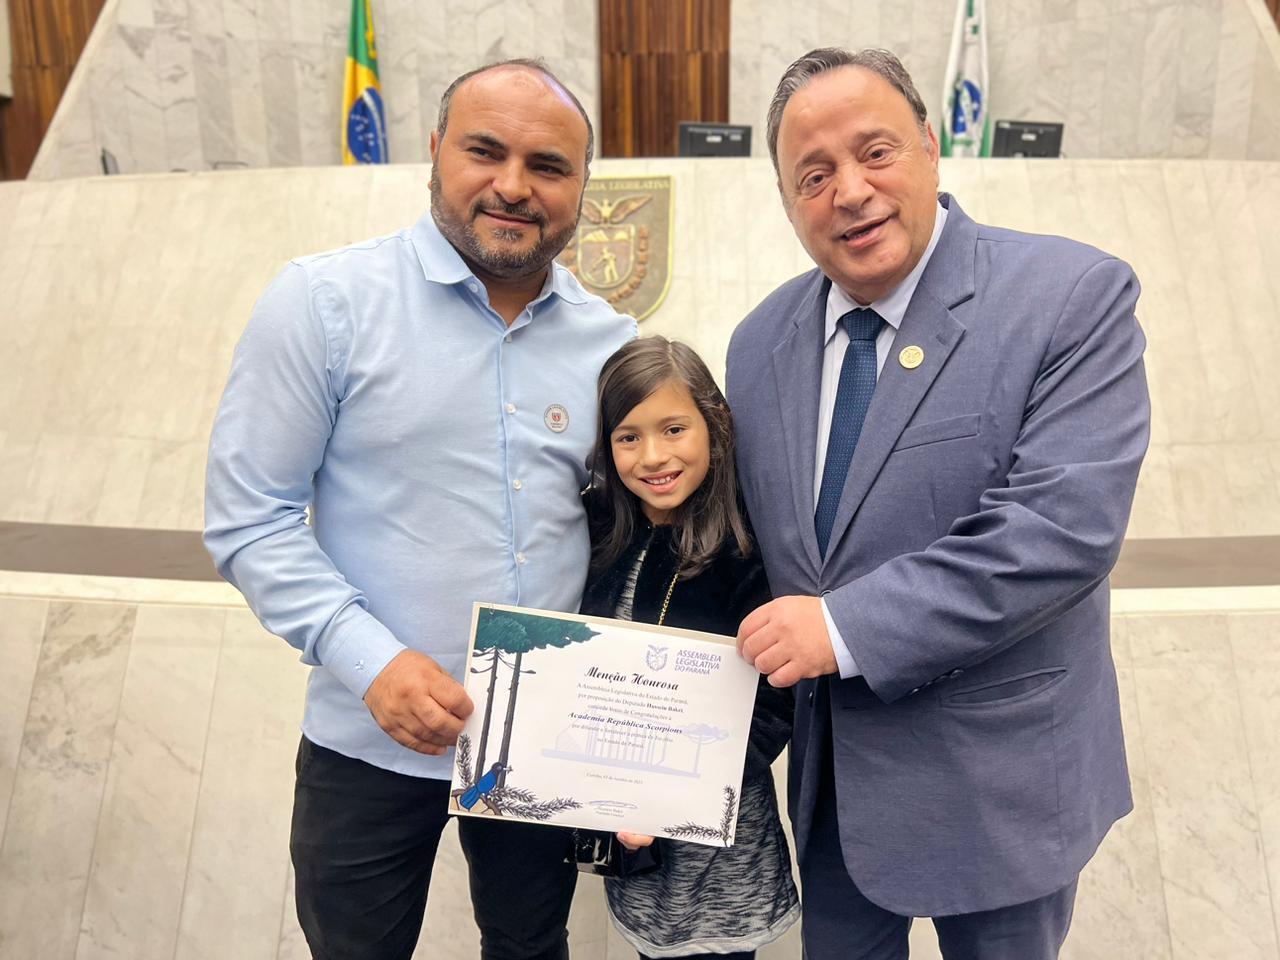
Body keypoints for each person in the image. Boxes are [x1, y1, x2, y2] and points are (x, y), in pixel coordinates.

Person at [203, 59, 635, 960]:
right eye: (485, 151)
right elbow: (251, 518)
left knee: (532, 948)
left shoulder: (612, 344)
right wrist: (371, 661)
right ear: (435, 151)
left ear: (583, 186)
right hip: (366, 737)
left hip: (538, 746)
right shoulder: (323, 303)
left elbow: (627, 536)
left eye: (548, 166)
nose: (513, 186)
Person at [726, 48, 1150, 960]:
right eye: (813, 175)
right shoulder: (757, 346)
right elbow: (754, 560)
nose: (850, 191)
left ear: (928, 144)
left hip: (1002, 791)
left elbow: (1062, 530)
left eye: (875, 152)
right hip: (835, 799)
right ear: (788, 201)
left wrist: (841, 628)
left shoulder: (1069, 296)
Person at [578, 336, 799, 960]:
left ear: (715, 424)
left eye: (674, 429)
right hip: (631, 842)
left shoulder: (748, 547)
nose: (653, 456)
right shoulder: (601, 532)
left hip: (721, 853)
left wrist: (667, 796)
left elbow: (774, 704)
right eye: (629, 436)